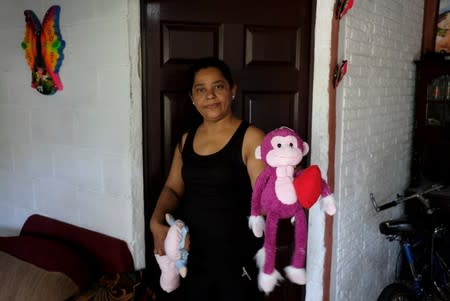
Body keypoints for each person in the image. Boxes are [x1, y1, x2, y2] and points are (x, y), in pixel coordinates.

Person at [150, 57, 266, 301]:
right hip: (192, 255)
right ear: (192, 98)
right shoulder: (186, 140)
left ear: (232, 90)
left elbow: (263, 200)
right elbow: (173, 188)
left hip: (236, 258)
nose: (210, 95)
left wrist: (287, 180)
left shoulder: (251, 137)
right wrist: (155, 221)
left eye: (218, 87)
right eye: (200, 90)